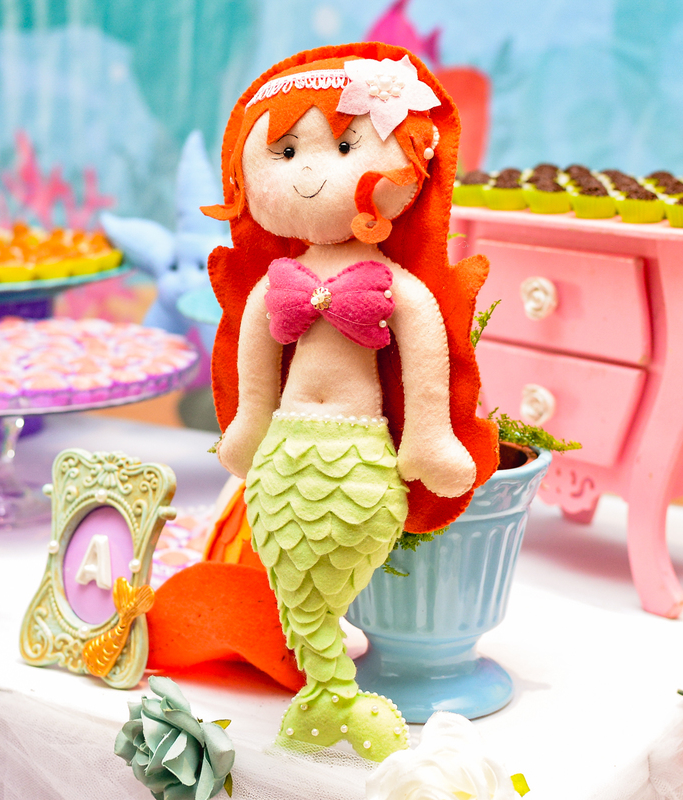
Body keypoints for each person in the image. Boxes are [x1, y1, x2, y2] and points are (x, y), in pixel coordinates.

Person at [202, 42, 498, 760]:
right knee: (292, 569)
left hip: (361, 458)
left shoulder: (393, 284)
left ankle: (328, 688)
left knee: (333, 562)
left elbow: (425, 342)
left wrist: (427, 436)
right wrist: (249, 423)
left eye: (342, 146)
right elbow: (253, 360)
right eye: (286, 152)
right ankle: (330, 688)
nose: (310, 172)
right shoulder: (277, 285)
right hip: (284, 458)